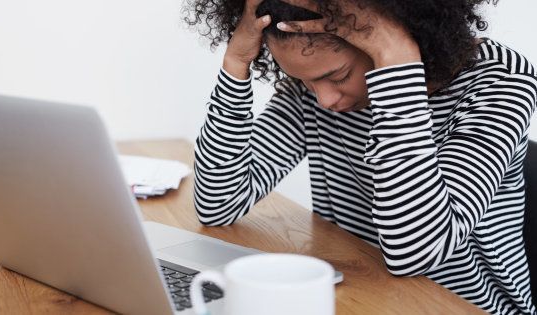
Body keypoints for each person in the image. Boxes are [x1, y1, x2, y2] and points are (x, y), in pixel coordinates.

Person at [184, 0, 537, 313]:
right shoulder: (315, 92)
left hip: (460, 304)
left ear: (391, 32)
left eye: (339, 76)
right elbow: (218, 203)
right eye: (306, 83)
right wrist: (237, 60)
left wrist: (396, 59)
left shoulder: (501, 81)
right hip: (361, 296)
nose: (324, 100)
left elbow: (417, 252)